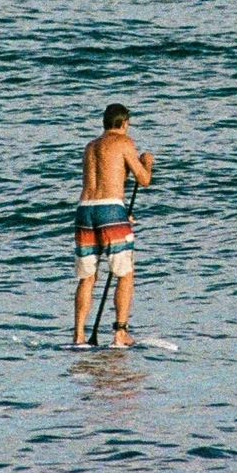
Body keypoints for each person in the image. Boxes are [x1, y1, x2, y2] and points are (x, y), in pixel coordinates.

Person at [73, 102, 154, 348]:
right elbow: (144, 179)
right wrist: (147, 161)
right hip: (110, 209)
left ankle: (78, 336)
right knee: (125, 273)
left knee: (87, 277)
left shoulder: (90, 147)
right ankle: (120, 332)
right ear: (124, 123)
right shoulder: (124, 142)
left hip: (85, 210)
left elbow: (108, 176)